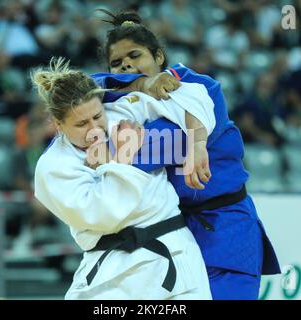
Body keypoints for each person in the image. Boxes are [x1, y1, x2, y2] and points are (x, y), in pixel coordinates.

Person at [91, 10, 281, 300]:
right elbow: (81, 87)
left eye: (135, 55)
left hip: (226, 228)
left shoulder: (199, 89)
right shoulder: (127, 104)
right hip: (171, 234)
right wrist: (141, 84)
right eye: (116, 63)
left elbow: (148, 152)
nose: (126, 64)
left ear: (158, 58)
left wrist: (118, 147)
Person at [31, 57, 215, 300]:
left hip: (175, 256)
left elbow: (195, 95)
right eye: (81, 124)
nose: (94, 128)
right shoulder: (54, 166)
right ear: (58, 125)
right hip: (110, 271)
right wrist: (123, 159)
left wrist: (197, 143)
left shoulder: (123, 113)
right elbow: (104, 215)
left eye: (97, 116)